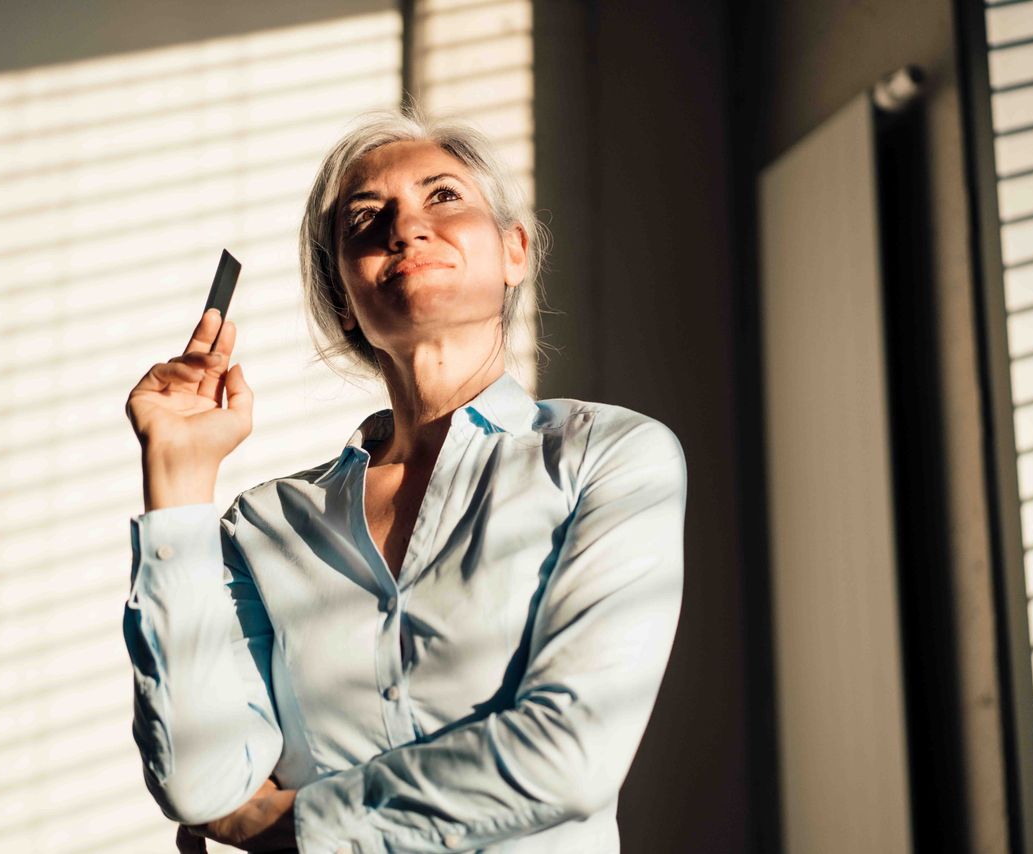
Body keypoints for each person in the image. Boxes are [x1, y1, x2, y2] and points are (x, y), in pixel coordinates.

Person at [122, 107, 688, 853]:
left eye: (444, 197)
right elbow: (200, 785)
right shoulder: (264, 526)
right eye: (367, 217)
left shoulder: (609, 458)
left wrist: (294, 826)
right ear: (344, 299)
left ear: (514, 251)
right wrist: (179, 484)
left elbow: (569, 759)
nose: (406, 228)